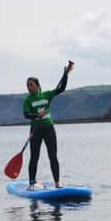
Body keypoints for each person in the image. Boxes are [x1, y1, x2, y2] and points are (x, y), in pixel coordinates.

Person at [23, 61, 74, 190]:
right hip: (36, 130)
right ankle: (31, 184)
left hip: (49, 129)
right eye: (27, 85)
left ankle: (57, 182)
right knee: (34, 157)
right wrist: (36, 116)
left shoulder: (47, 95)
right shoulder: (28, 100)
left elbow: (60, 89)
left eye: (31, 85)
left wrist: (66, 74)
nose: (29, 87)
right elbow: (26, 115)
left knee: (53, 156)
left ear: (37, 85)